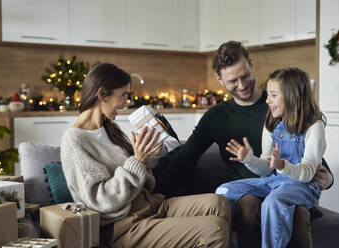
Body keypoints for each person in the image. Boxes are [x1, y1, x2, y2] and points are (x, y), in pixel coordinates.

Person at [153, 41, 334, 248]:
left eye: (245, 76)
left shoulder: (279, 105)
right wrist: (156, 193)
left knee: (296, 210)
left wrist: (328, 180)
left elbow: (309, 157)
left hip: (289, 186)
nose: (241, 85)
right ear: (219, 79)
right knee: (248, 205)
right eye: (232, 81)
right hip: (250, 191)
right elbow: (185, 157)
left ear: (251, 64)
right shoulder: (216, 117)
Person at [60, 63, 232, 248]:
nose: (126, 102)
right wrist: (138, 159)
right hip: (124, 226)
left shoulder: (110, 129)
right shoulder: (74, 140)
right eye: (123, 95)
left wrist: (149, 156)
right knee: (214, 229)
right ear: (102, 94)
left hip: (151, 205)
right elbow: (101, 199)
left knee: (219, 203)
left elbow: (136, 168)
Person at [215, 67, 326, 248]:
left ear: (292, 96)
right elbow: (267, 168)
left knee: (273, 202)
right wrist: (249, 159)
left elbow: (307, 173)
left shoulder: (314, 127)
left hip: (303, 186)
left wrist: (283, 165)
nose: (267, 100)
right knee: (223, 191)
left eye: (273, 95)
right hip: (273, 182)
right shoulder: (272, 123)